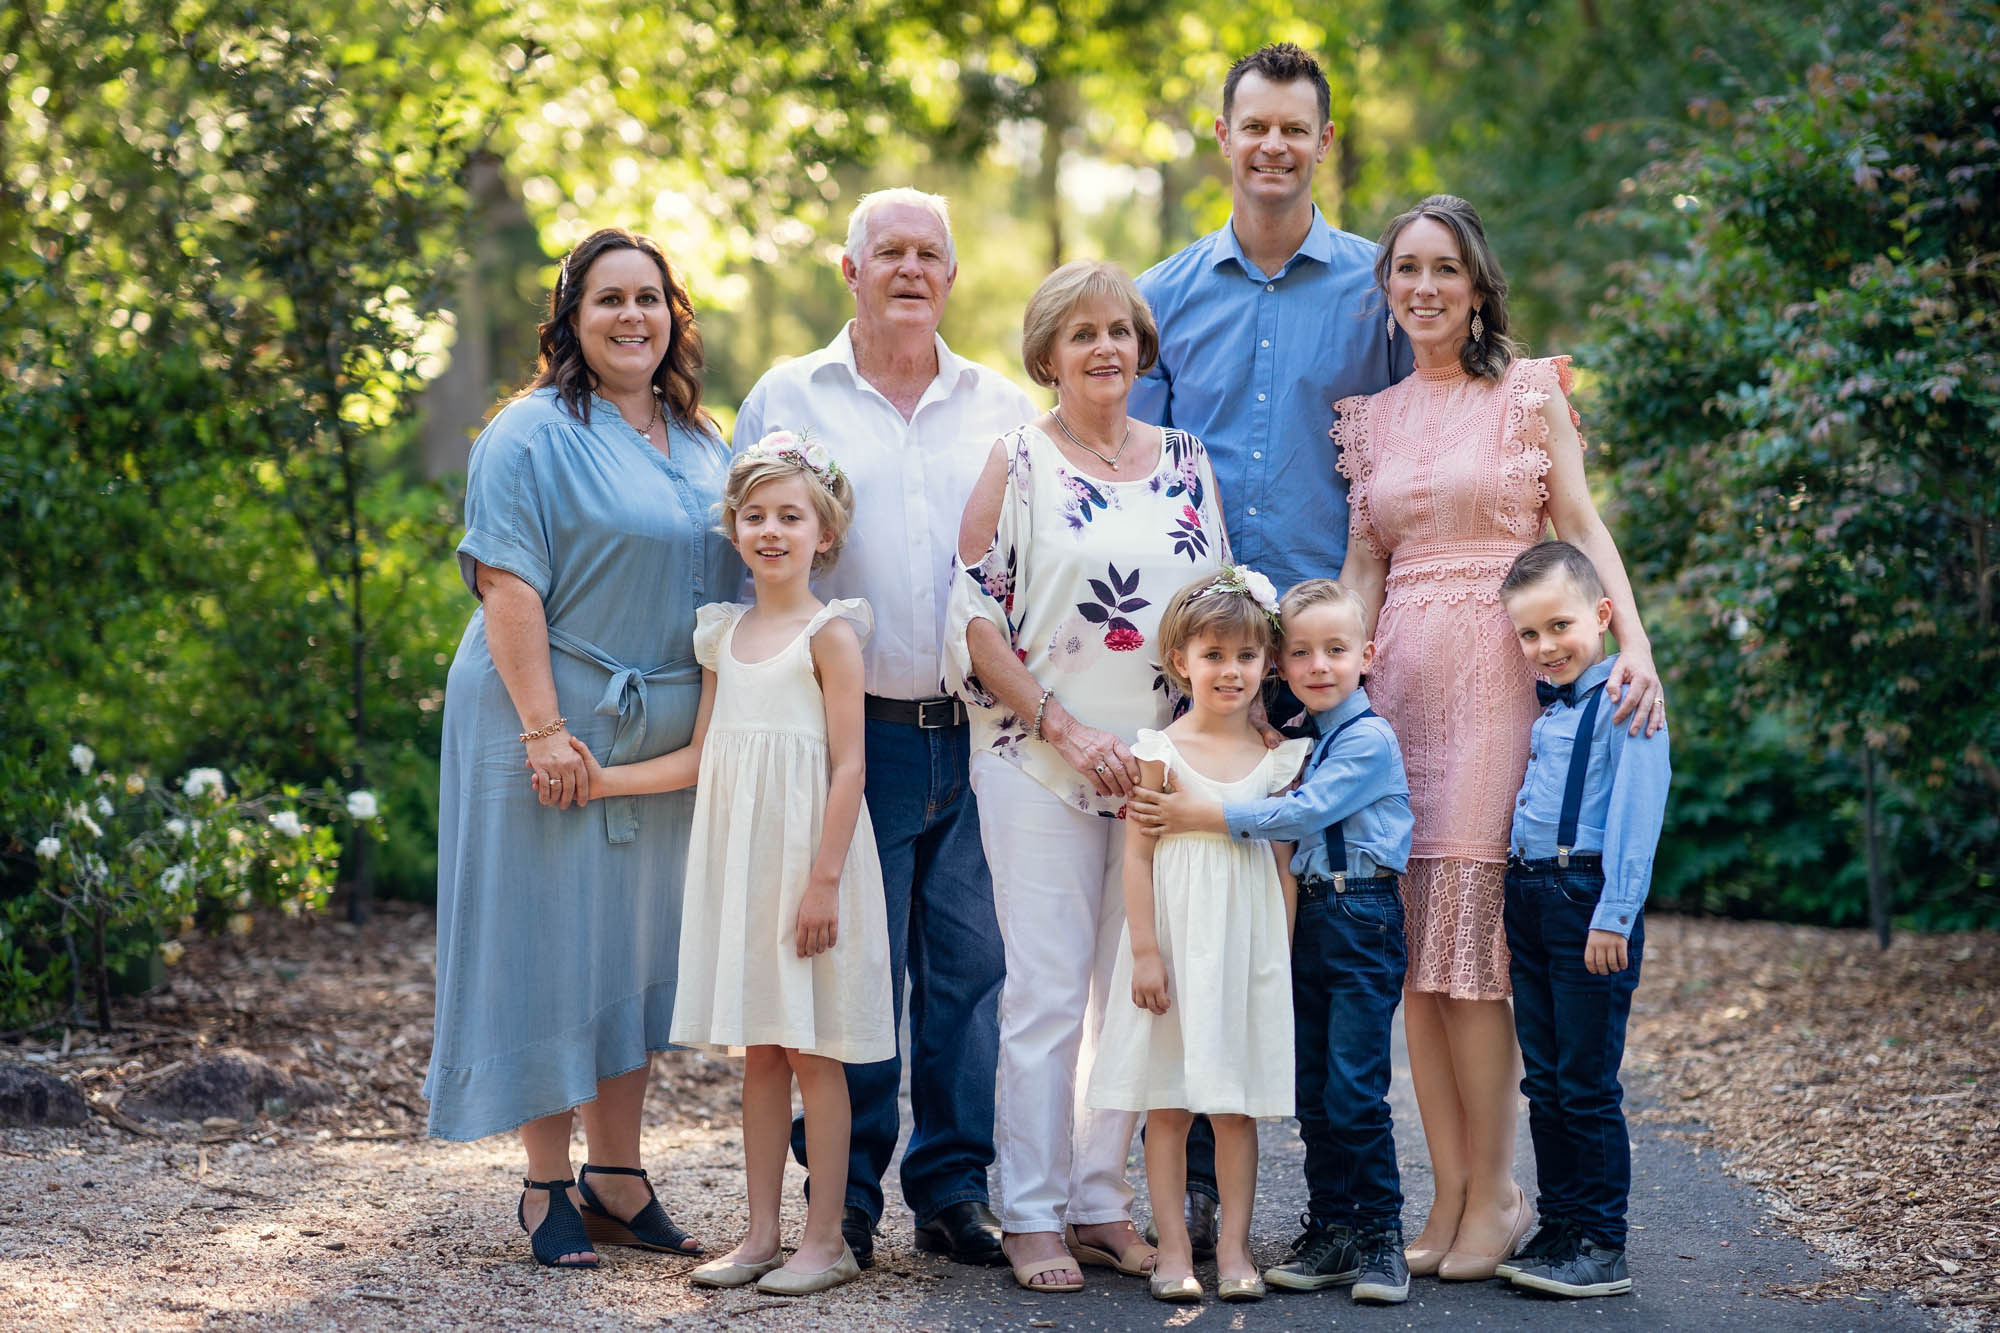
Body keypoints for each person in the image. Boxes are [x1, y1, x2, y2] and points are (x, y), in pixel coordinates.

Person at [1332, 194, 1664, 1281]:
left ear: (1475, 285)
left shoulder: (1526, 394)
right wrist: (1334, 696)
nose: (1421, 287)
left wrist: (1636, 647)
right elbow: (1363, 570)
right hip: (1396, 698)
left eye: (1442, 269)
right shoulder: (1369, 418)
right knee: (1415, 968)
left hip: (1494, 682)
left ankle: (1499, 1192)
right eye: (1403, 270)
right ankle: (1444, 1191)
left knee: (1472, 961)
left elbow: (1577, 522)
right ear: (1386, 290)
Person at [1128, 41, 1410, 1244]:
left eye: (1296, 128)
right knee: (1194, 907)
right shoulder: (1162, 293)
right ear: (1223, 136)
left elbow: (1400, 462)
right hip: (1201, 666)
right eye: (1255, 126)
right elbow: (1132, 472)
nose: (1275, 146)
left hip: (1321, 661)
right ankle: (1191, 1181)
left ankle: (1338, 1199)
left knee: (1326, 926)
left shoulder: (1374, 290)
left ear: (1323, 142)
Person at [731, 188, 1034, 1271]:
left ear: (950, 276)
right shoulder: (788, 396)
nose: (910, 269)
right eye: (888, 252)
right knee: (855, 972)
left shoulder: (1002, 405)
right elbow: (751, 551)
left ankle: (953, 1190)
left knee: (968, 969)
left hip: (982, 730)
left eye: (928, 254)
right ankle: (843, 1204)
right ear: (849, 271)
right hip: (852, 735)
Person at [426, 227, 737, 1268]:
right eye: (608, 299)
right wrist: (544, 728)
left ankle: (617, 1177)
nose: (631, 317)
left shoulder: (705, 442)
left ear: (672, 316)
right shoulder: (528, 433)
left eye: (648, 298)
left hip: (654, 746)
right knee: (548, 947)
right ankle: (546, 1182)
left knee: (632, 953)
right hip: (538, 718)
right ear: (570, 318)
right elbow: (505, 582)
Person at [947, 259, 1229, 1294]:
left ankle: (1101, 1202)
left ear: (1140, 346)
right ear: (1046, 356)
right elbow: (971, 616)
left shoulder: (1188, 460)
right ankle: (1027, 1211)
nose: (1105, 347)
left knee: (1137, 992)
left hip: (1157, 764)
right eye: (1081, 334)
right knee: (1047, 991)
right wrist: (1063, 727)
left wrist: (1195, 747)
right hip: (1038, 760)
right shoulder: (1015, 460)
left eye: (1120, 330)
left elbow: (1219, 614)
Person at [571, 434, 895, 1295]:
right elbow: (702, 754)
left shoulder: (831, 634)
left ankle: (825, 1238)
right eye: (755, 516)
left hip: (810, 865)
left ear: (824, 533)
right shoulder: (725, 634)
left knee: (816, 1055)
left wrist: (825, 878)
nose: (772, 530)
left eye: (791, 515)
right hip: (746, 868)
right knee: (761, 1054)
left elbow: (850, 765)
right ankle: (759, 1232)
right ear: (734, 529)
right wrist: (605, 780)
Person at [1131, 578, 1415, 1304]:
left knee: (1354, 1087)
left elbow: (1302, 815)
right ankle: (1331, 1228)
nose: (1319, 665)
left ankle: (1380, 1233)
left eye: (1336, 650)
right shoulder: (1294, 745)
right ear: (1284, 668)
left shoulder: (1364, 740)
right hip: (1313, 920)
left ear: (1366, 655)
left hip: (1360, 916)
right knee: (1315, 1090)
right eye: (1303, 652)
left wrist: (1205, 814)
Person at [1086, 567, 1310, 1305]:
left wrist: (1273, 953)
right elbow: (1140, 859)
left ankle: (1236, 1247)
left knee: (1235, 1105)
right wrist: (1145, 951)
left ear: (1266, 665)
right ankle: (1173, 1245)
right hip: (1176, 951)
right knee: (1169, 1103)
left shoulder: (1277, 758)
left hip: (1243, 953)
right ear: (1181, 660)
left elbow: (1283, 869)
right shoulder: (1161, 751)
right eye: (1214, 655)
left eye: (1247, 656)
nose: (1231, 671)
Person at [1495, 541, 1669, 1299]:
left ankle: (1603, 1240)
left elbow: (1637, 812)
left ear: (1603, 615)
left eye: (1559, 626)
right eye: (1528, 635)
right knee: (1547, 1081)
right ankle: (1562, 1223)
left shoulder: (1629, 697)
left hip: (1589, 903)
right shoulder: (1548, 708)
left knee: (1588, 1083)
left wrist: (1616, 915)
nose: (1545, 647)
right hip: (1531, 897)